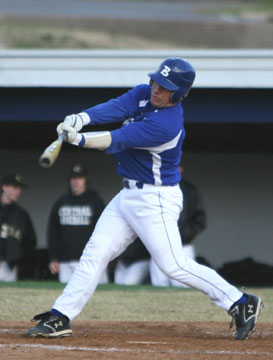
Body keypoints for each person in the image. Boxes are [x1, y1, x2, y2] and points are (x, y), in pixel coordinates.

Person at [26, 57, 263, 341]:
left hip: (156, 198)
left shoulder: (167, 124)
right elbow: (116, 107)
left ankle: (240, 302)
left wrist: (79, 139)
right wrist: (82, 118)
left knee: (174, 265)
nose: (156, 89)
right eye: (156, 82)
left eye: (165, 87)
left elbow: (117, 139)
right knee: (94, 252)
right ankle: (60, 316)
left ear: (178, 94)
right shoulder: (143, 93)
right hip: (128, 194)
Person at [47, 164, 106, 283]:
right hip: (65, 260)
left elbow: (104, 230)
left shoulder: (95, 202)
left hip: (90, 259)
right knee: (67, 295)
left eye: (80, 178)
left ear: (85, 180)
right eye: (73, 178)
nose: (76, 181)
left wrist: (105, 254)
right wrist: (53, 257)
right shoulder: (61, 202)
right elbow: (53, 232)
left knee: (97, 294)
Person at [150, 167, 206, 287]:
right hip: (159, 244)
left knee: (183, 284)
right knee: (159, 284)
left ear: (180, 170)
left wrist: (184, 235)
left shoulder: (189, 190)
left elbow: (200, 220)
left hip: (182, 245)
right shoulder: (154, 188)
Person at [0, 173, 36, 281]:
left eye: (19, 189)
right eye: (15, 188)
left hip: (9, 266)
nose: (18, 192)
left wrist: (17, 257)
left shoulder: (21, 214)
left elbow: (30, 240)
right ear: (4, 187)